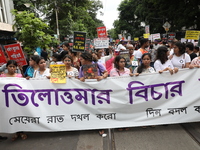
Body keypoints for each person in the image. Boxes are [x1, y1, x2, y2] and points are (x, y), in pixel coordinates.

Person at [0, 60, 27, 140]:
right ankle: (16, 133)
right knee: (12, 116)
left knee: (19, 115)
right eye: (10, 66)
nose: (12, 68)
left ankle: (21, 132)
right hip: (7, 101)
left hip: (18, 100)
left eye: (14, 67)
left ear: (16, 68)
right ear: (7, 67)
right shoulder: (2, 77)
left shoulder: (19, 76)